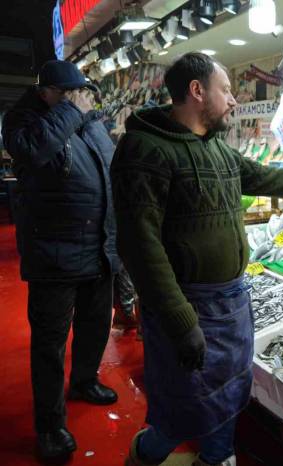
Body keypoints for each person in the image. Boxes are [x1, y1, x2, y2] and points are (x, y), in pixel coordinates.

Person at [112, 52, 283, 466]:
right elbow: (139, 244)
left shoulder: (216, 148)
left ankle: (218, 458)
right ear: (197, 92)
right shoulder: (145, 150)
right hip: (189, 307)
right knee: (183, 407)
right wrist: (180, 320)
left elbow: (269, 177)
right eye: (226, 90)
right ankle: (144, 455)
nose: (234, 99)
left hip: (231, 303)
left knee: (229, 395)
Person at [1, 60, 120, 461]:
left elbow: (109, 168)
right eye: (68, 94)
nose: (77, 100)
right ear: (46, 92)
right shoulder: (21, 121)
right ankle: (50, 425)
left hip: (98, 244)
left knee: (94, 323)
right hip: (54, 251)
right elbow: (35, 151)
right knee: (50, 343)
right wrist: (72, 111)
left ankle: (85, 380)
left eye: (78, 94)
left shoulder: (85, 119)